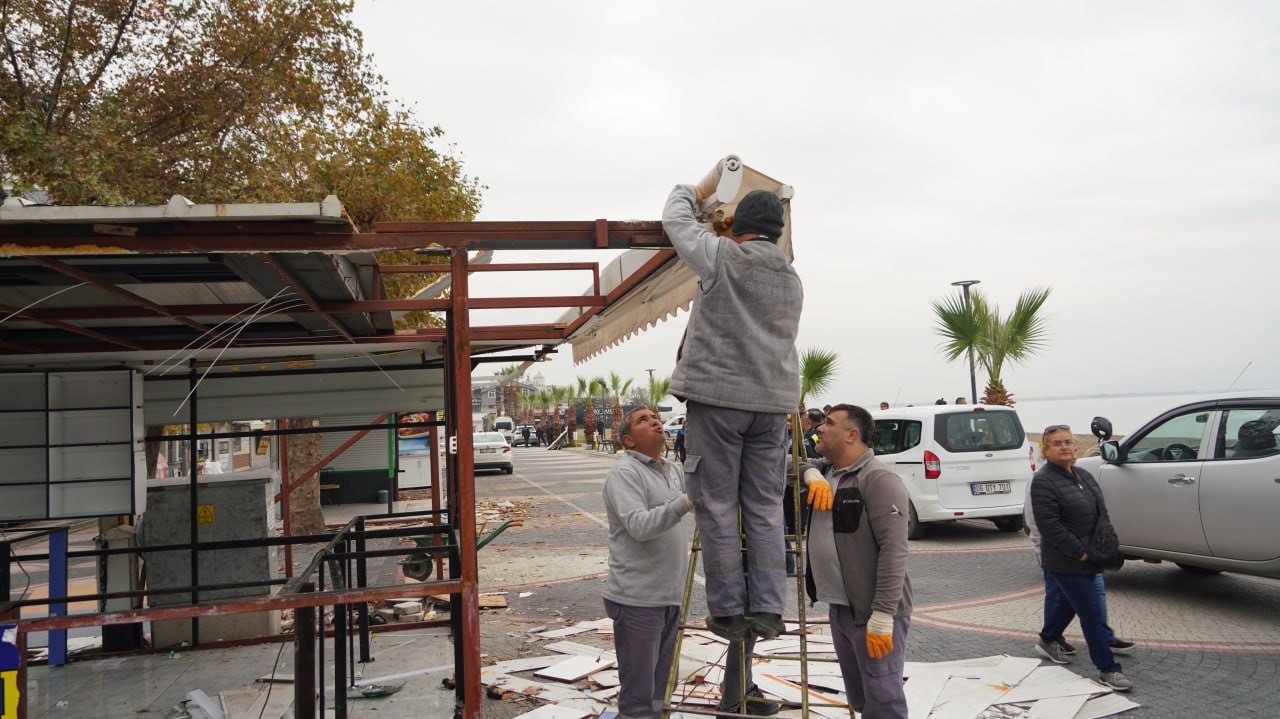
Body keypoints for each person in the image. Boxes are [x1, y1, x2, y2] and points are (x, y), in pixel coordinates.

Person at [662, 185, 803, 642]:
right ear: (776, 234)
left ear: (735, 227)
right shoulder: (791, 278)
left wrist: (692, 191)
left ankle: (726, 610)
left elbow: (674, 221)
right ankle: (768, 609)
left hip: (719, 399)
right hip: (772, 405)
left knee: (718, 507)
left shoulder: (722, 256)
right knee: (764, 509)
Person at [804, 404, 912, 718]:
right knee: (861, 697)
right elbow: (782, 464)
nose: (819, 429)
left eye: (829, 423)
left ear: (852, 435)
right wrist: (809, 473)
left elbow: (895, 550)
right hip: (841, 607)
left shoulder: (877, 479)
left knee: (883, 698)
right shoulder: (826, 471)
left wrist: (882, 614)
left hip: (873, 613)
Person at [602, 407, 695, 719]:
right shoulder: (624, 474)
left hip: (669, 596)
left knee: (661, 689)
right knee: (639, 695)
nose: (655, 421)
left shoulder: (672, 470)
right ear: (629, 440)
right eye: (644, 420)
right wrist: (684, 503)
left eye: (655, 416)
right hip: (637, 599)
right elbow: (639, 526)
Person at [1030, 424, 1134, 692]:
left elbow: (1101, 513)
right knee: (1092, 613)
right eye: (1057, 443)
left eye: (1068, 442)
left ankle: (1048, 638)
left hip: (1092, 556)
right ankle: (1108, 669)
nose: (1064, 447)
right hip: (1067, 561)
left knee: (1068, 605)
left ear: (1075, 446)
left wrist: (1106, 541)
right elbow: (1050, 526)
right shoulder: (1043, 481)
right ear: (1046, 449)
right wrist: (1082, 551)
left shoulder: (1084, 475)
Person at [1024, 479, 1135, 659]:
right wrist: (1039, 546)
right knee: (1058, 596)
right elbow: (1035, 519)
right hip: (1057, 554)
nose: (1067, 450)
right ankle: (1052, 638)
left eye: (1070, 448)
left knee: (1096, 592)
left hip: (1086, 551)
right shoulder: (1041, 479)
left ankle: (1104, 637)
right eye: (1059, 447)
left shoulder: (1080, 475)